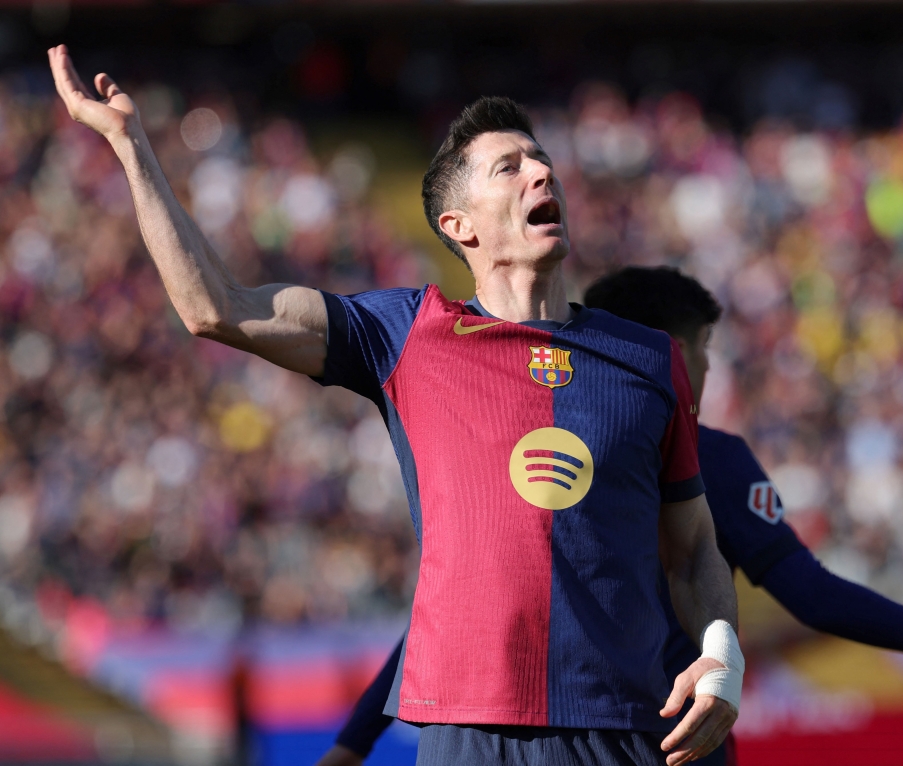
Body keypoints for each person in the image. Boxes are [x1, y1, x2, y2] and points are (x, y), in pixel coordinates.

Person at [48, 47, 742, 766]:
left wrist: (723, 652)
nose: (542, 172)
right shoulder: (407, 333)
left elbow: (691, 547)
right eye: (510, 167)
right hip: (469, 734)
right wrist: (131, 148)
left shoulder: (648, 358)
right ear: (458, 226)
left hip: (628, 728)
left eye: (542, 161)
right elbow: (215, 309)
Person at [318, 266, 903, 766]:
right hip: (671, 743)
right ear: (668, 350)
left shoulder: (543, 446)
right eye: (700, 346)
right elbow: (812, 595)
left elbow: (455, 611)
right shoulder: (714, 457)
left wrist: (353, 743)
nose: (705, 366)